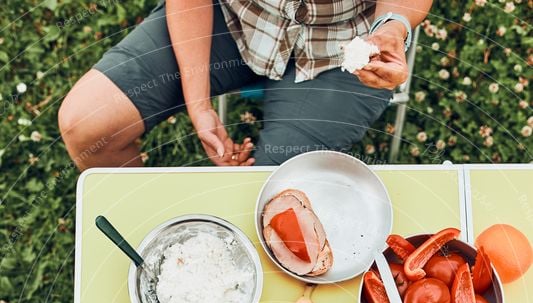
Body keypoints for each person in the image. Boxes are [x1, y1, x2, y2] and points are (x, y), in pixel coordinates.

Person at [58, 1, 432, 170]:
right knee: (86, 125)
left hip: (344, 41)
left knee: (271, 201)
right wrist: (199, 105)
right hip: (236, 18)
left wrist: (392, 28)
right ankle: (147, 236)